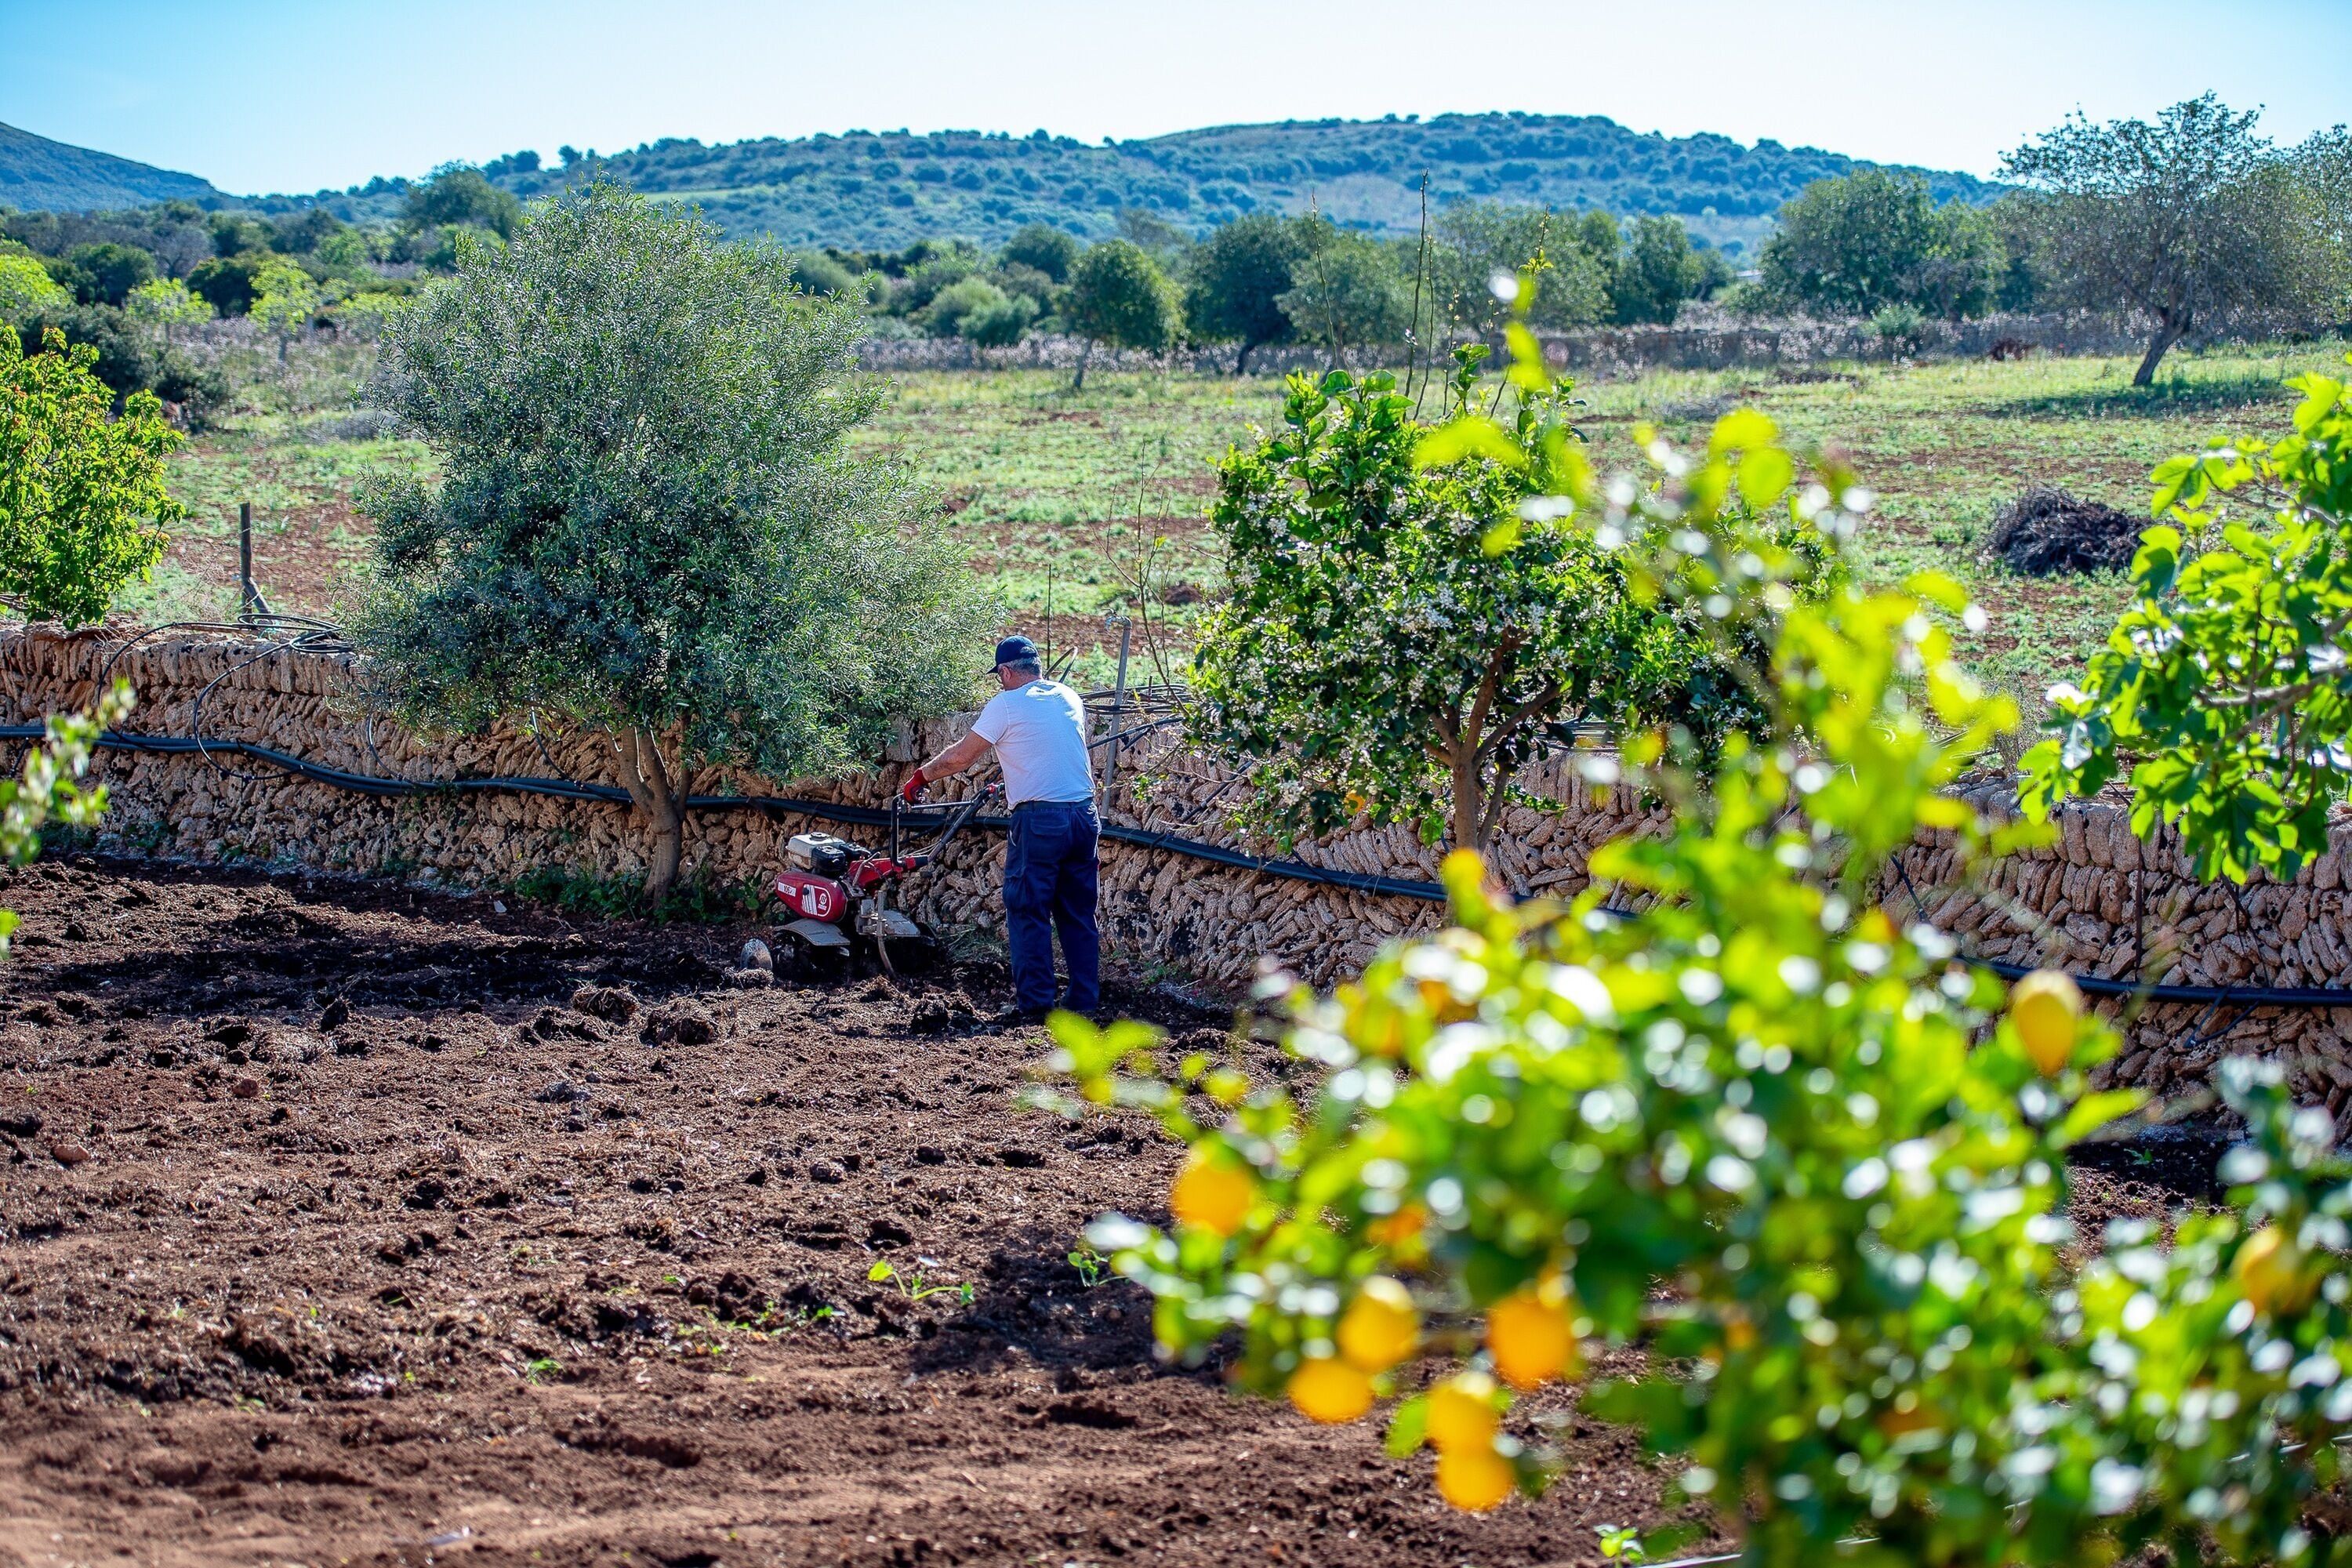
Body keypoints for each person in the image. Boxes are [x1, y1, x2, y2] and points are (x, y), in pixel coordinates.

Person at [902, 636, 1098, 1023]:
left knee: (1027, 908)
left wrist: (920, 777)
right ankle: (1083, 1002)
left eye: (1000, 677)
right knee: (1077, 912)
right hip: (1084, 816)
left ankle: (1036, 1006)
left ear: (1006, 672)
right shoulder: (1069, 696)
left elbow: (960, 757)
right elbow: (1044, 747)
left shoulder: (1006, 704)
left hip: (1041, 821)